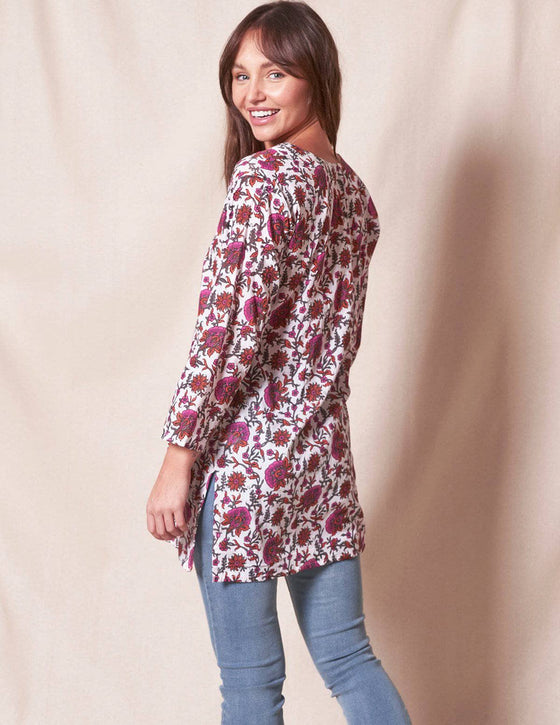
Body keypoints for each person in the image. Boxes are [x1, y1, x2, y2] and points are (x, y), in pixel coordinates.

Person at [146, 2, 412, 723]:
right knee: (350, 658)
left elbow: (226, 335)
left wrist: (178, 458)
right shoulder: (354, 196)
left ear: (314, 77)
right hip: (321, 460)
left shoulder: (263, 182)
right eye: (240, 75)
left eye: (274, 73)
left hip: (245, 469)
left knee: (251, 686)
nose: (252, 93)